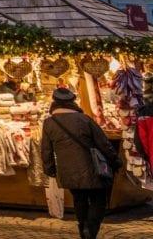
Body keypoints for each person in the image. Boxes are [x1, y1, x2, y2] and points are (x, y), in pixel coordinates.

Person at [41, 87, 121, 239]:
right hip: (92, 168)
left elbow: (46, 149)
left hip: (67, 170)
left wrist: (49, 168)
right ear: (72, 102)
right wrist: (115, 161)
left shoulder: (49, 123)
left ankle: (82, 226)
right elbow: (103, 143)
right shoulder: (84, 119)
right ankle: (90, 230)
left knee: (79, 199)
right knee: (98, 200)